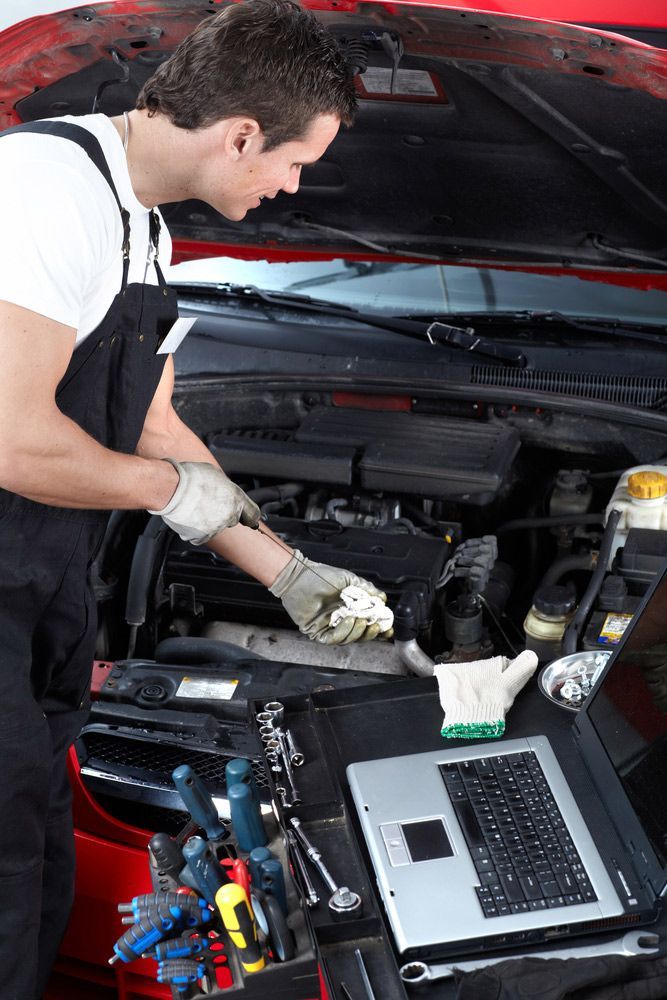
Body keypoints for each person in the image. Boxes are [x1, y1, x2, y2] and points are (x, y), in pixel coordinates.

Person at [0, 2, 392, 995]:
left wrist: (289, 571)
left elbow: (157, 427)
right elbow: (14, 439)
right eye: (293, 163)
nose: (290, 187)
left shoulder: (144, 233)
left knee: (39, 858)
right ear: (241, 134)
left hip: (38, 591)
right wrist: (169, 492)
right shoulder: (45, 192)